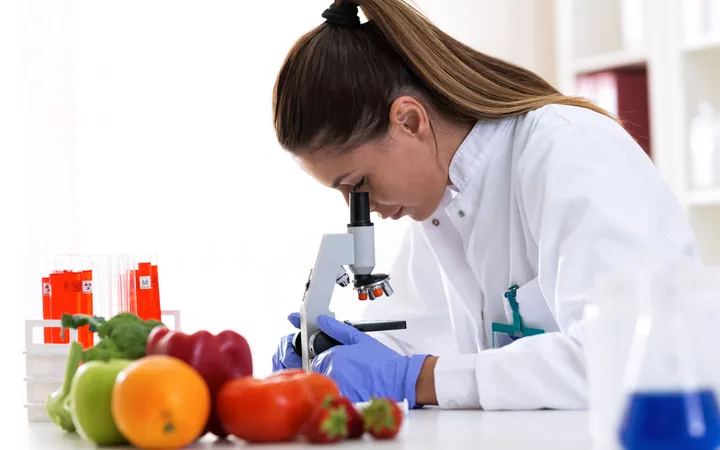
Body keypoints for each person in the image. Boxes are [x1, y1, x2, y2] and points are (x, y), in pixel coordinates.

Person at [270, 0, 700, 411]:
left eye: (358, 184)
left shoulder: (570, 149)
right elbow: (408, 338)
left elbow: (621, 359)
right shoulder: (441, 204)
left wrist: (416, 379)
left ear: (409, 120)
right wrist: (327, 359)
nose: (358, 206)